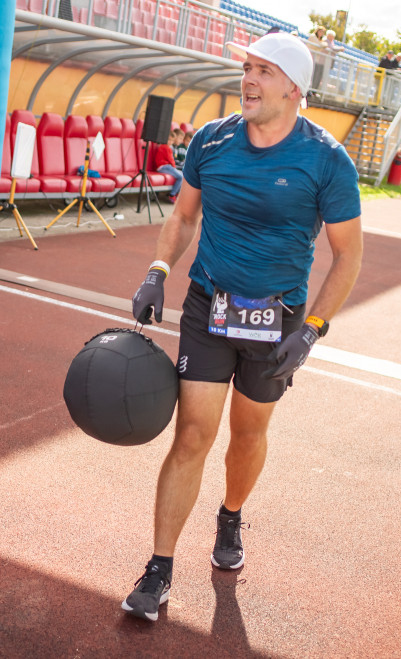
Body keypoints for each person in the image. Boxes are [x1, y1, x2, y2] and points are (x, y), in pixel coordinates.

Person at [122, 33, 363, 622]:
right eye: (246, 68)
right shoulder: (212, 139)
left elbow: (348, 256)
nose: (248, 79)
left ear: (293, 88)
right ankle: (159, 567)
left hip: (278, 318)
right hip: (209, 305)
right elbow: (183, 215)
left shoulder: (327, 160)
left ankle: (230, 515)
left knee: (248, 432)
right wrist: (158, 271)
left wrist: (310, 330)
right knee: (193, 433)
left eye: (262, 70)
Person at [150, 129, 183, 201]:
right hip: (164, 166)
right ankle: (172, 194)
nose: (170, 142)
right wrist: (174, 167)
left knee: (183, 175)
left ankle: (176, 193)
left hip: (165, 166)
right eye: (169, 140)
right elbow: (170, 159)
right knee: (181, 177)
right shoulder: (165, 147)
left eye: (172, 141)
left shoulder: (165, 147)